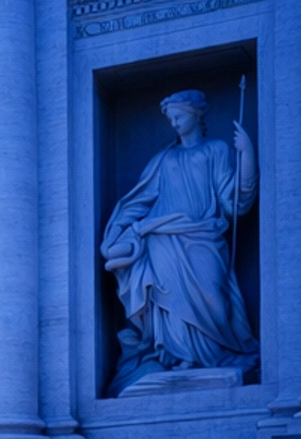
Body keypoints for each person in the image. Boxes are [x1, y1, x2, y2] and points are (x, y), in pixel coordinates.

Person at [101, 90, 258, 389]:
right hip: (162, 239)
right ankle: (179, 357)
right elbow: (139, 200)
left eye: (178, 116)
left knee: (213, 295)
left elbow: (234, 201)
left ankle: (215, 355)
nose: (174, 123)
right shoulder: (163, 158)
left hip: (203, 236)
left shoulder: (217, 150)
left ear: (196, 115)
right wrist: (116, 231)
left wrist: (247, 154)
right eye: (170, 118)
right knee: (169, 300)